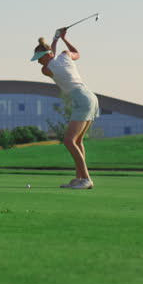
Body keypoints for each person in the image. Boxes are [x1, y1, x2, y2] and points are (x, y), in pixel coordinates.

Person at [31, 27, 99, 189]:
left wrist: (55, 39)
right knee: (77, 141)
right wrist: (62, 39)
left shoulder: (46, 69)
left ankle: (87, 179)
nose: (39, 62)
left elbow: (51, 57)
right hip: (89, 97)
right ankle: (79, 178)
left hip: (81, 100)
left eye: (40, 58)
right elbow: (76, 53)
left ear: (47, 55)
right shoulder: (65, 56)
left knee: (68, 141)